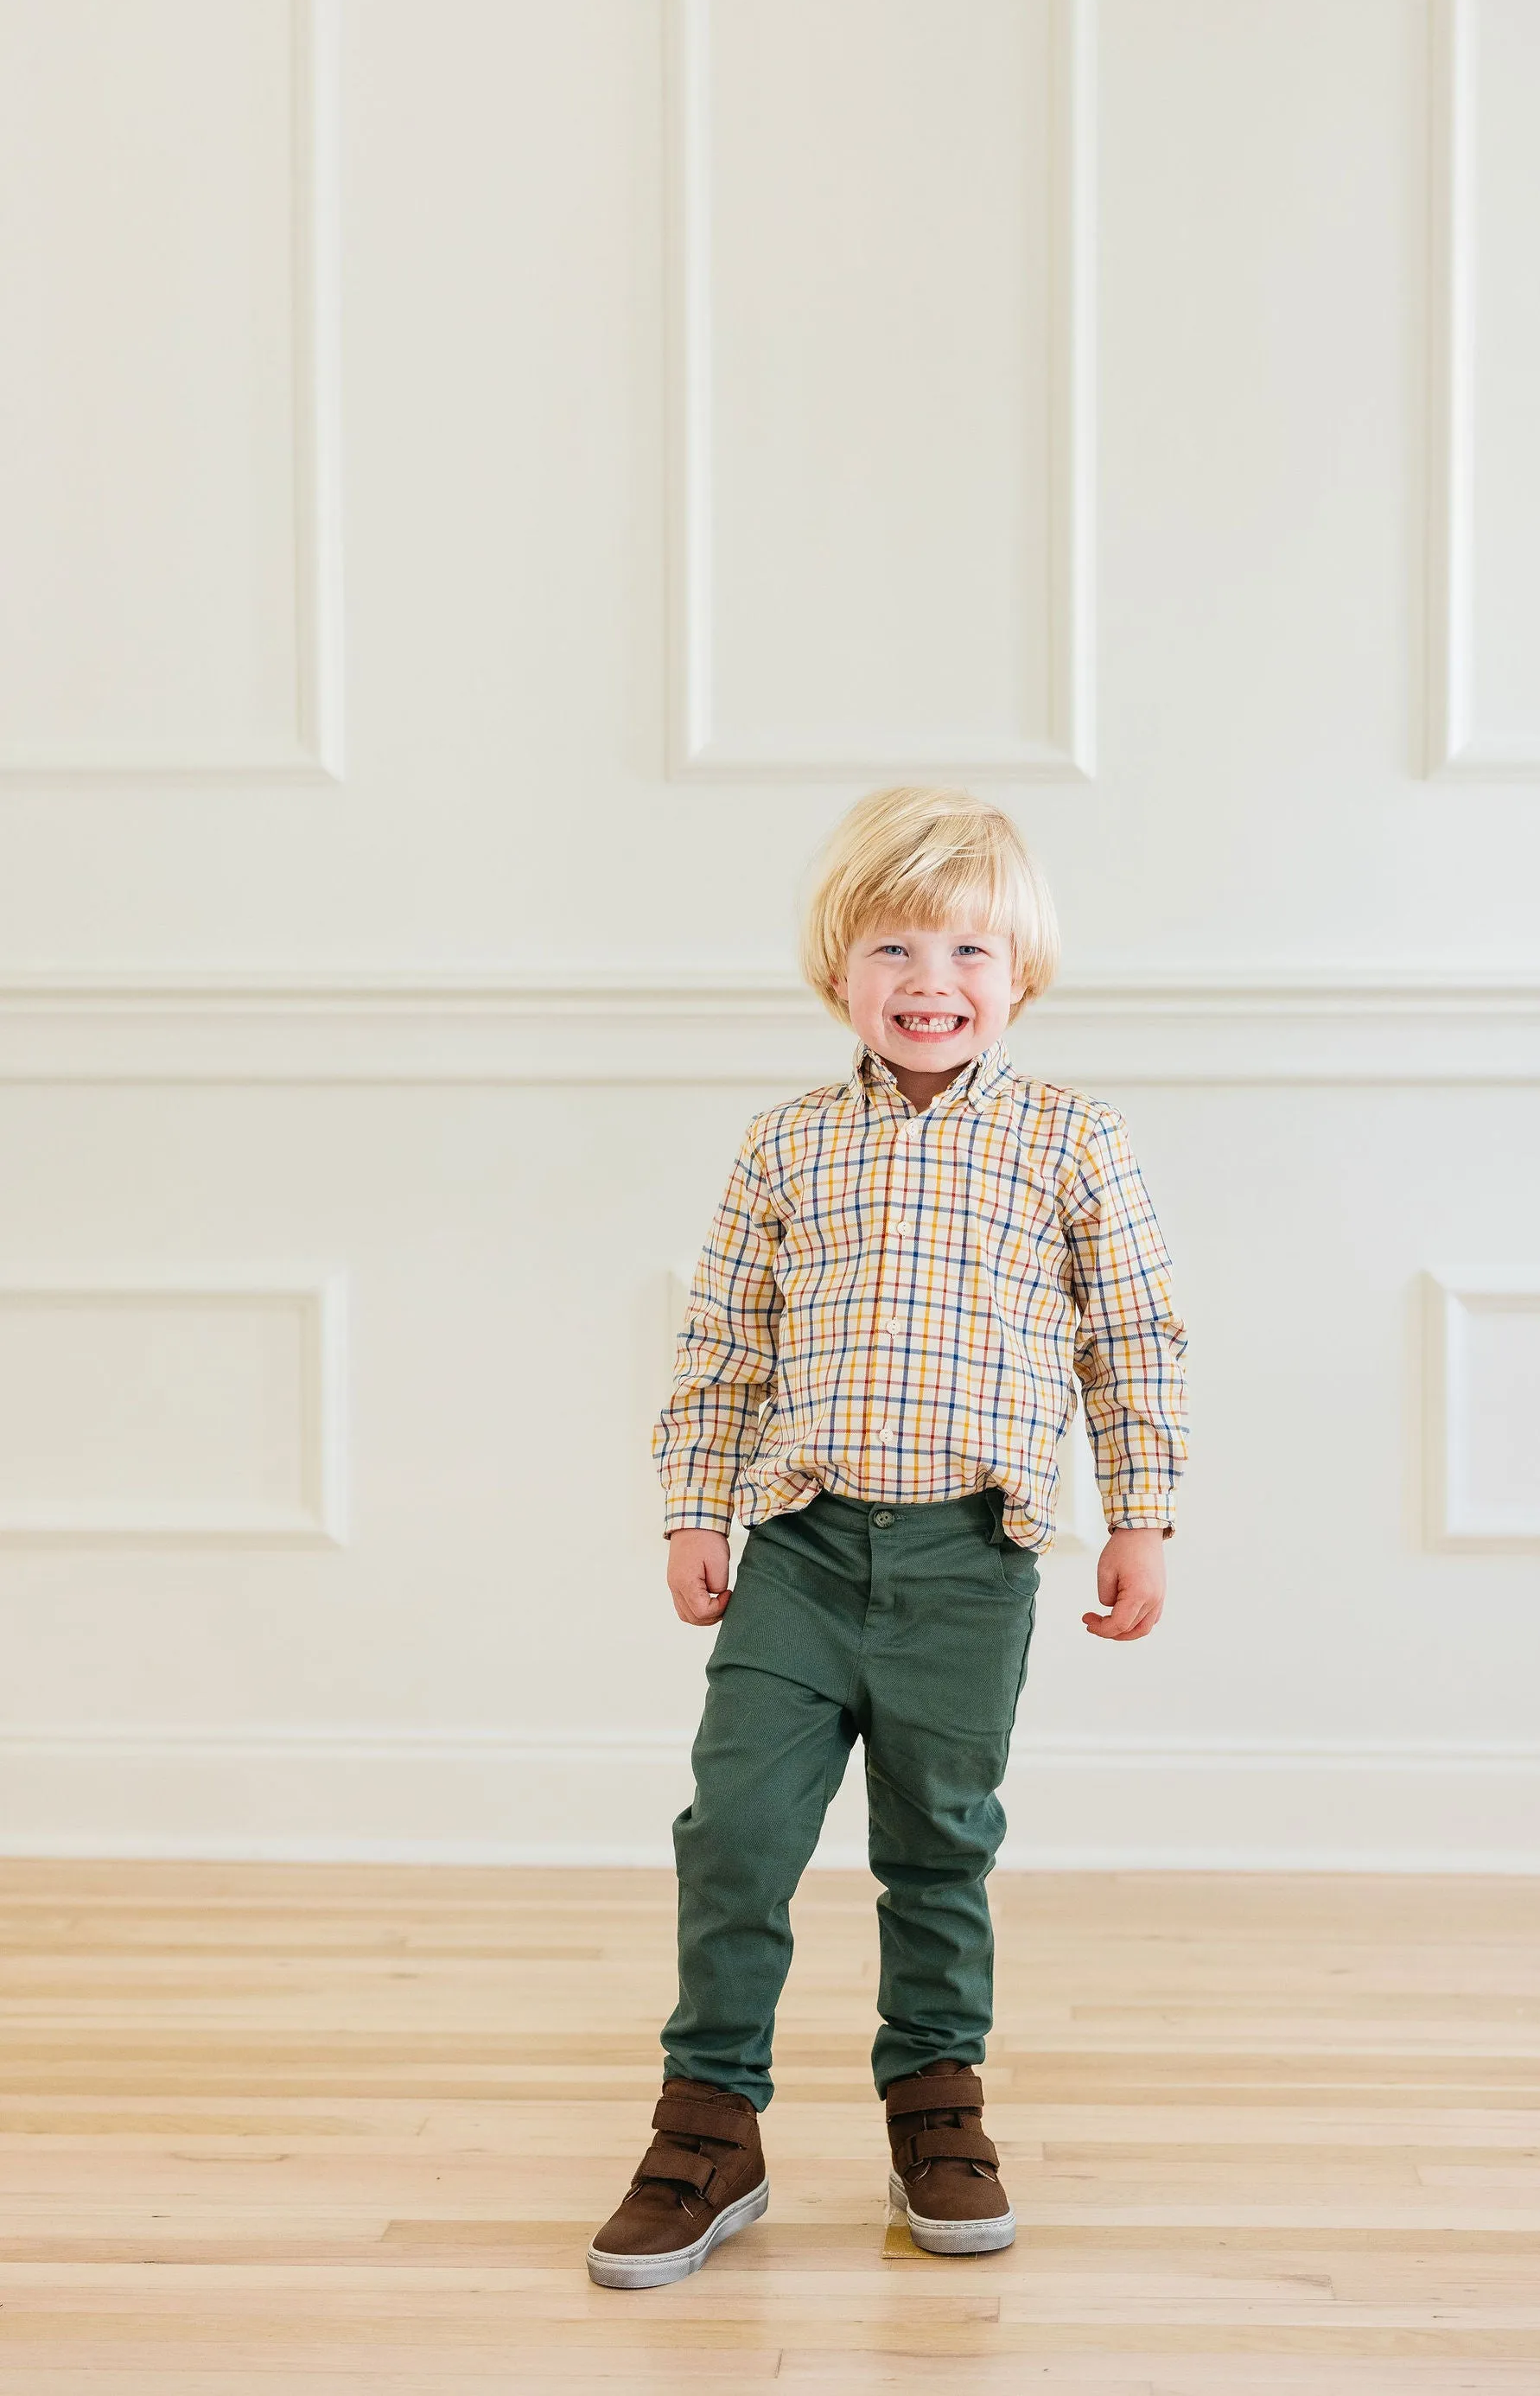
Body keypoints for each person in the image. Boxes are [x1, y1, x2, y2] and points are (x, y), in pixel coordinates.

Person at [587, 787, 1189, 2291]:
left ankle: (938, 2101)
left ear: (1023, 973)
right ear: (838, 972)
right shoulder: (788, 1146)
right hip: (799, 1548)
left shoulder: (1070, 1142)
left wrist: (1142, 1518)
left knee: (938, 1848)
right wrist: (692, 1507)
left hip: (969, 1562)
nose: (933, 979)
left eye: (972, 948)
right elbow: (722, 1344)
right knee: (734, 1829)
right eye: (895, 946)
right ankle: (711, 2120)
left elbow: (1135, 1341)